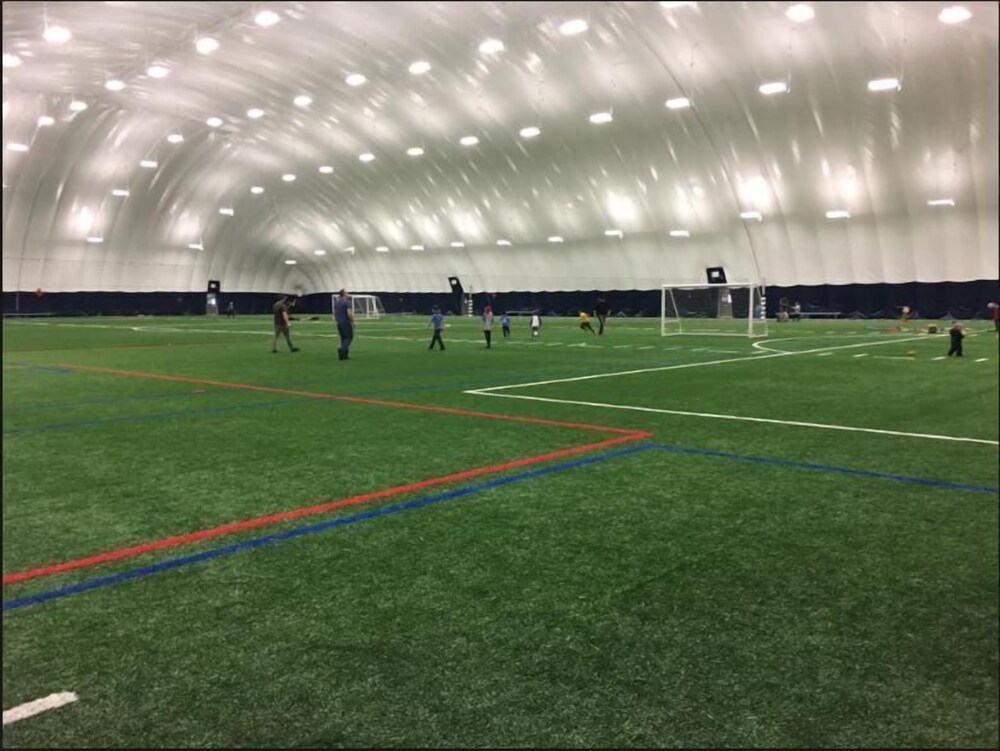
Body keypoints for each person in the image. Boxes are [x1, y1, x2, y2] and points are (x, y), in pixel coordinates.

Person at [334, 288, 354, 360]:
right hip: (346, 322)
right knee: (349, 338)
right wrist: (352, 321)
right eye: (347, 292)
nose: (348, 294)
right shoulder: (347, 301)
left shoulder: (337, 302)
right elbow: (349, 313)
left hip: (339, 323)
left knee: (343, 338)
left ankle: (344, 355)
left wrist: (337, 320)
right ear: (344, 294)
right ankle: (342, 349)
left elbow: (335, 313)